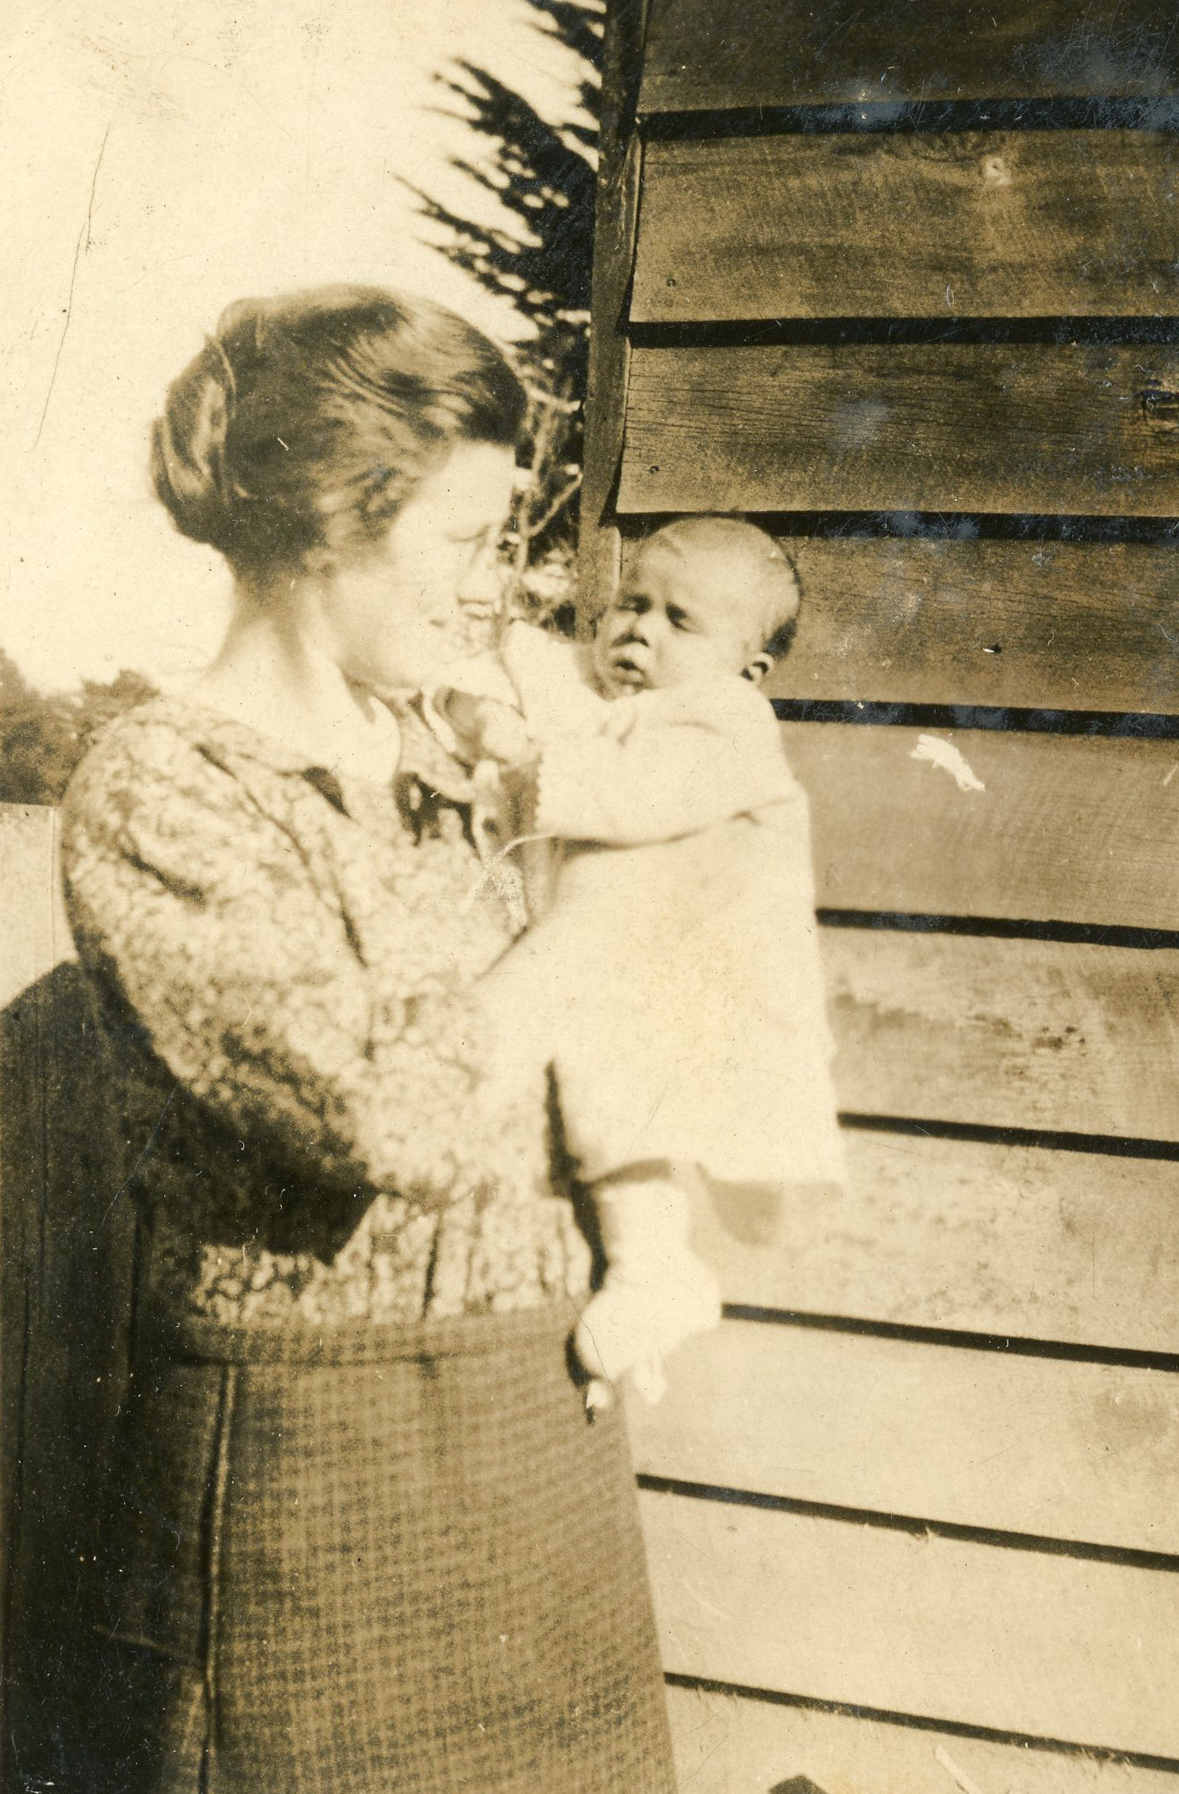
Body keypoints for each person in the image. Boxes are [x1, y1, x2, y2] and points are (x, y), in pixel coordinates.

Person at [58, 286, 676, 1794]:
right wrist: (603, 896)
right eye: (466, 544)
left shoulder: (455, 765)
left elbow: (614, 1038)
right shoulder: (161, 790)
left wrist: (649, 1249)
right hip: (310, 1472)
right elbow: (386, 1116)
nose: (494, 592)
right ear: (332, 524)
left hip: (538, 1430)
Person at [429, 517, 846, 1411]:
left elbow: (632, 795)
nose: (638, 631)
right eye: (631, 603)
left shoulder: (728, 721)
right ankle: (646, 1283)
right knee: (603, 1098)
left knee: (625, 1103)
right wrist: (480, 709)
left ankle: (655, 1271)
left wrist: (524, 751)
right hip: (604, 955)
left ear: (748, 666)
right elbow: (510, 678)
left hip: (691, 964)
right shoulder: (595, 694)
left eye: (678, 620)